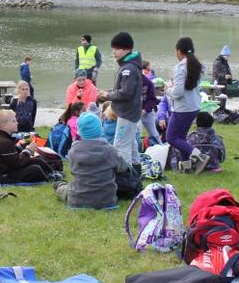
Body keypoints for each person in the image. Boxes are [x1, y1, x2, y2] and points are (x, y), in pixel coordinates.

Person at [54, 112, 128, 210]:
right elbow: (123, 168)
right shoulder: (110, 150)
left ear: (80, 132)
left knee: (63, 188)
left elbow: (73, 170)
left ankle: (59, 185)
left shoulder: (74, 151)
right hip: (106, 200)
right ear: (100, 129)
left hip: (78, 199)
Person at [164, 36, 211, 173]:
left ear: (179, 51)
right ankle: (186, 168)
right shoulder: (198, 65)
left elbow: (178, 92)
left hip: (182, 108)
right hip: (194, 106)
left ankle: (200, 156)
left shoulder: (180, 68)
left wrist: (168, 89)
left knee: (171, 137)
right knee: (181, 138)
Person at [98, 31, 145, 166]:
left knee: (121, 146)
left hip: (127, 113)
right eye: (113, 48)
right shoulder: (129, 66)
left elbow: (125, 93)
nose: (114, 52)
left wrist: (107, 95)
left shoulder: (128, 69)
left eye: (118, 49)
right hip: (130, 112)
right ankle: (135, 173)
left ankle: (125, 177)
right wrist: (107, 93)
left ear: (127, 49)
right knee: (131, 144)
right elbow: (123, 90)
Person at [0, 109, 51, 184]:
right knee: (35, 169)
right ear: (4, 126)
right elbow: (18, 163)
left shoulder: (0, 138)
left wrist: (21, 146)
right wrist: (28, 151)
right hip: (2, 175)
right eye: (13, 121)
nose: (17, 123)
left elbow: (10, 156)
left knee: (37, 160)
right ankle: (49, 178)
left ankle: (52, 174)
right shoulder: (5, 142)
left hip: (3, 170)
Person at [140, 67, 161, 146]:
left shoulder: (148, 82)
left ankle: (161, 148)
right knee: (136, 133)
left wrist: (145, 110)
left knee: (154, 134)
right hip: (132, 112)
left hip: (146, 112)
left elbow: (152, 100)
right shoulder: (128, 81)